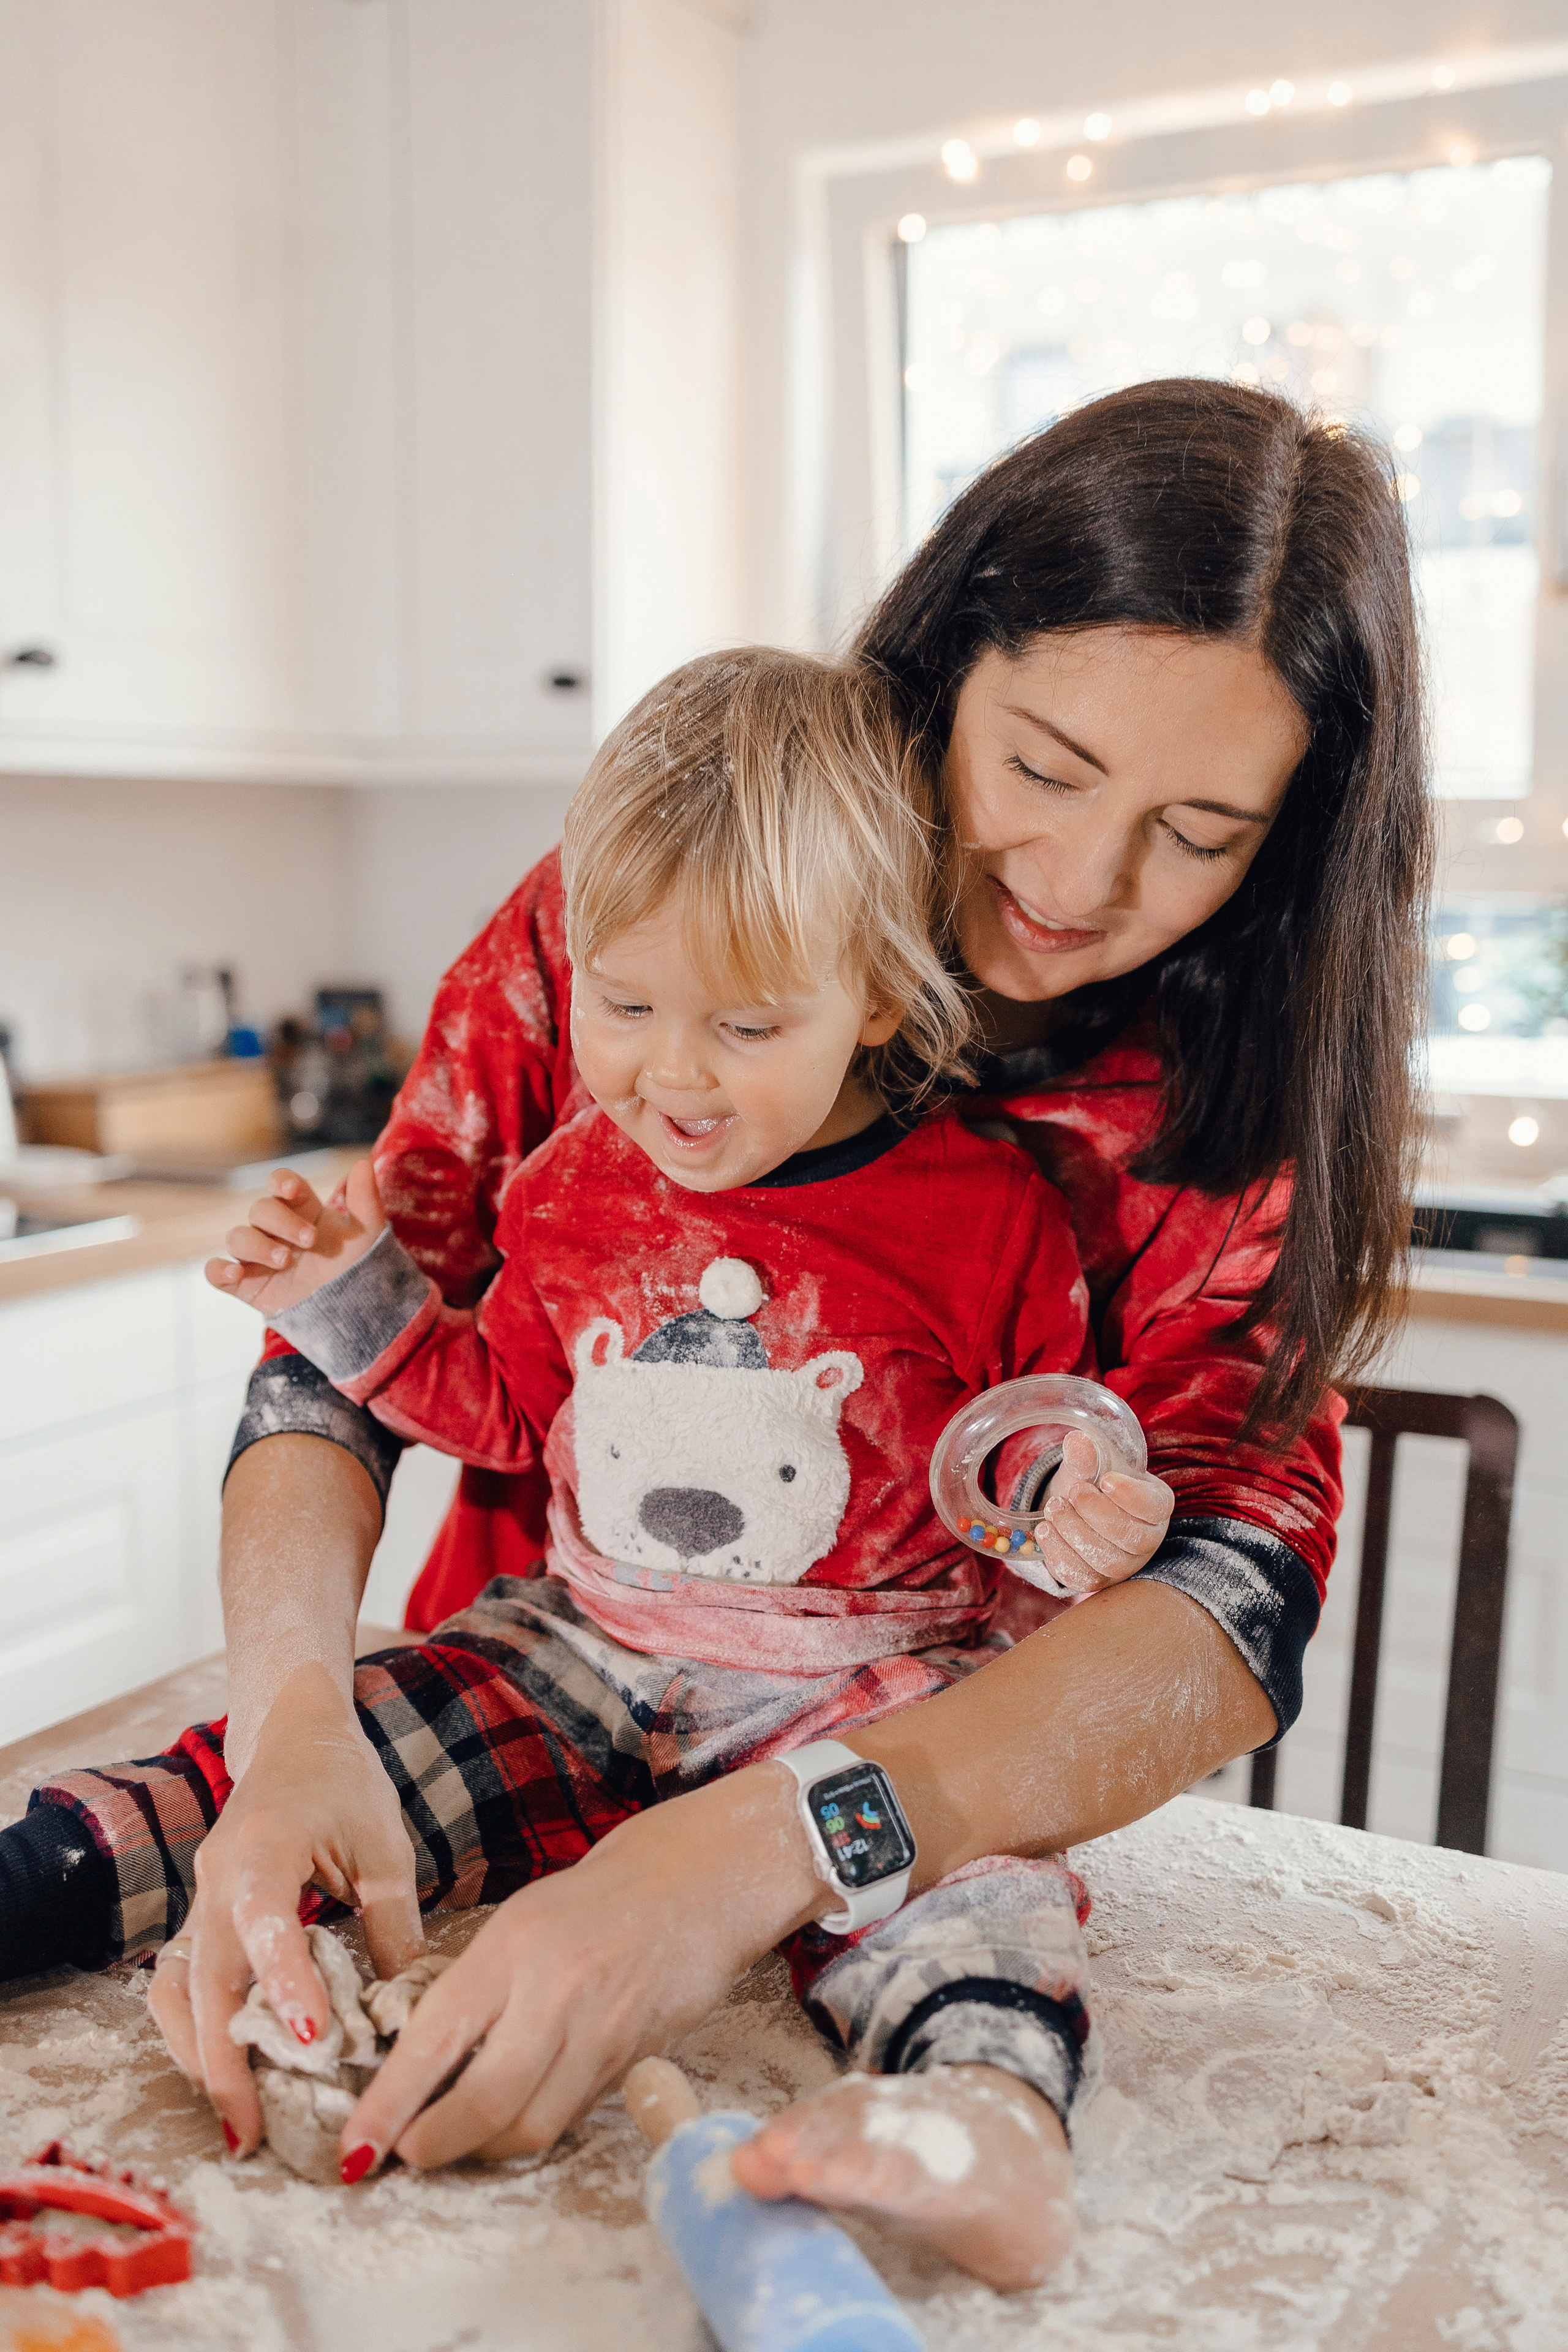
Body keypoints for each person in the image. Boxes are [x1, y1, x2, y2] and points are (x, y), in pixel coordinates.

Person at [0, 382, 1431, 2286]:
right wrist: (291, 1729)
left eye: (1197, 831)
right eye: (1047, 761)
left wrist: (764, 1844)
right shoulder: (648, 912)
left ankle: (986, 2110)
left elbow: (1230, 1595)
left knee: (977, 1956)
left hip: (901, 1738)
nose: (1084, 886)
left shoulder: (1216, 1102)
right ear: (939, 668)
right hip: (540, 1681)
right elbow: (355, 1353)